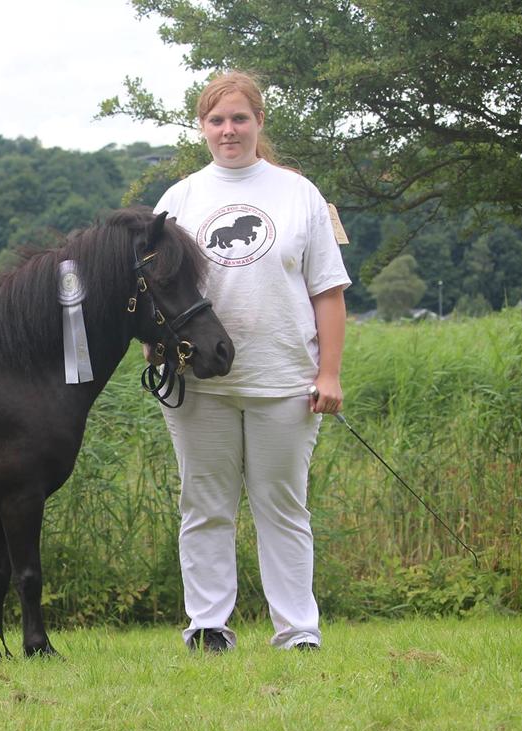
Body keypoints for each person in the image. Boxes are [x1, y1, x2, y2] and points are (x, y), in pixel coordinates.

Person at [149, 71, 351, 652]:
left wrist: (329, 373)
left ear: (259, 122)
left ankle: (297, 632)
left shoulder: (298, 193)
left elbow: (328, 292)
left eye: (239, 118)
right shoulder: (179, 199)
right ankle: (208, 625)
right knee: (204, 505)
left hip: (285, 379)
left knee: (282, 508)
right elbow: (156, 294)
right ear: (202, 128)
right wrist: (157, 350)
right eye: (217, 120)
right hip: (198, 386)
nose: (228, 130)